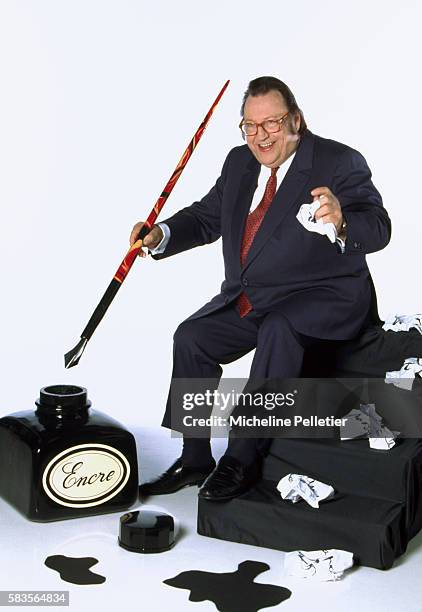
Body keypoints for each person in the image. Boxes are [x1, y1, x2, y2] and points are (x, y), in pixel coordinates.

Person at [130, 76, 391, 501]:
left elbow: (379, 228)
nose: (261, 136)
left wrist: (342, 220)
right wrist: (161, 235)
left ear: (296, 121)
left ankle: (242, 456)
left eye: (272, 123)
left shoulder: (339, 161)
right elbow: (206, 218)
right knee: (192, 337)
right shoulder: (239, 163)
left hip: (326, 296)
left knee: (279, 329)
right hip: (256, 297)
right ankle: (195, 458)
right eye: (250, 126)